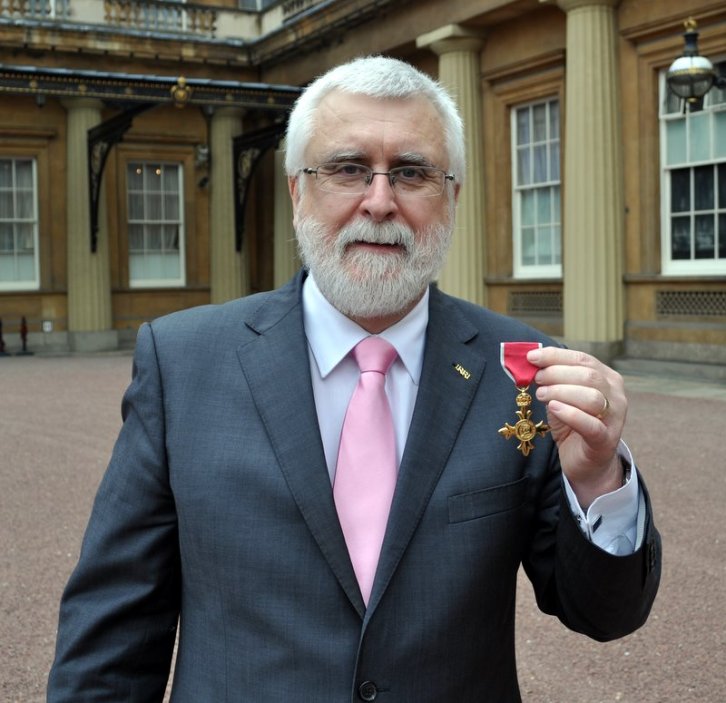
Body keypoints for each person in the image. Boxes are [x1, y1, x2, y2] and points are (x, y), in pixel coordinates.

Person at [47, 56, 661, 703]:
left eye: (412, 173)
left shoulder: (523, 370)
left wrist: (598, 480)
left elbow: (604, 614)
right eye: (347, 168)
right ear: (296, 192)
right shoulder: (181, 361)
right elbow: (113, 637)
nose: (379, 201)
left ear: (452, 197)